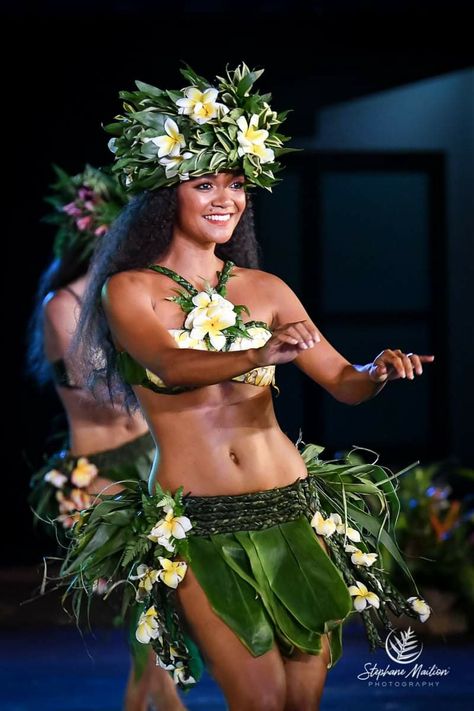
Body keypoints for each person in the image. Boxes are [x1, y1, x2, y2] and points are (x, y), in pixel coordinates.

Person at [59, 64, 435, 710]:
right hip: (201, 523)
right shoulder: (131, 292)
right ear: (162, 196)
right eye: (203, 183)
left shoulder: (265, 290)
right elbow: (171, 365)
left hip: (290, 508)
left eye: (235, 184)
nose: (224, 198)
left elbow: (342, 381)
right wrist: (259, 351)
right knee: (259, 701)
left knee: (301, 699)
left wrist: (376, 372)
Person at [27, 164, 186, 711]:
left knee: (168, 591)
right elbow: (102, 390)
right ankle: (159, 703)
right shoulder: (64, 306)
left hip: (151, 452)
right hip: (101, 470)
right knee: (145, 593)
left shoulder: (128, 295)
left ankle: (144, 701)